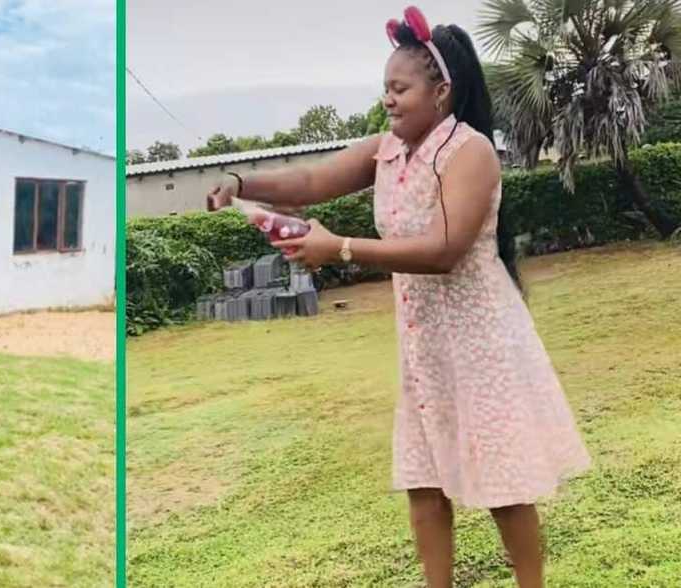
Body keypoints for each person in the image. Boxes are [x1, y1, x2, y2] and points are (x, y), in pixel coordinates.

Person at [206, 7, 591, 588]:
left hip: (479, 339)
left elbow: (445, 249)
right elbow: (312, 182)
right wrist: (242, 182)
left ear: (441, 91)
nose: (388, 99)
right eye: (384, 88)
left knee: (502, 484)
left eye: (399, 88)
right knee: (424, 481)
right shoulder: (385, 150)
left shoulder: (470, 152)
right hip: (425, 346)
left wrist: (341, 249)